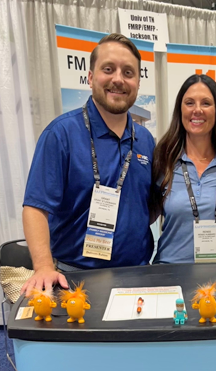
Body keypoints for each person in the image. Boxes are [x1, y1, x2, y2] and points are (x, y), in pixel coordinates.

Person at [22, 33, 155, 296]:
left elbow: (147, 205)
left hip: (138, 274)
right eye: (108, 69)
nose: (118, 79)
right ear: (91, 77)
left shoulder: (146, 140)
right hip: (75, 278)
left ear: (138, 83)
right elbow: (35, 207)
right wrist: (43, 266)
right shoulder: (61, 134)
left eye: (128, 72)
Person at [152, 74, 216, 264]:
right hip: (169, 275)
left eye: (206, 103)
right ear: (180, 109)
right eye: (189, 103)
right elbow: (141, 217)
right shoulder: (163, 162)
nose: (197, 110)